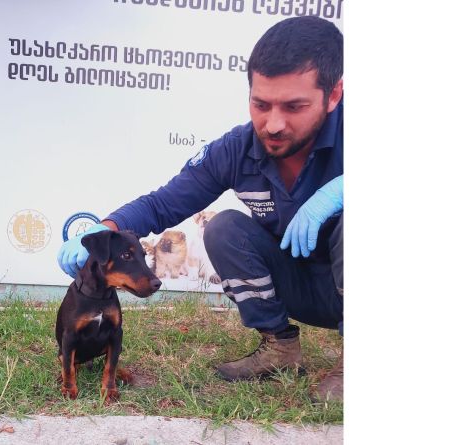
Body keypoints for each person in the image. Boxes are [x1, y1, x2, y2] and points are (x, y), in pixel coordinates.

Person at [57, 16, 344, 402]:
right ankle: (280, 348)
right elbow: (164, 202)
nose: (273, 124)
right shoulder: (238, 149)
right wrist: (104, 227)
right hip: (304, 286)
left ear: (334, 95)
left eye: (295, 106)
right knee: (224, 228)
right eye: (261, 104)